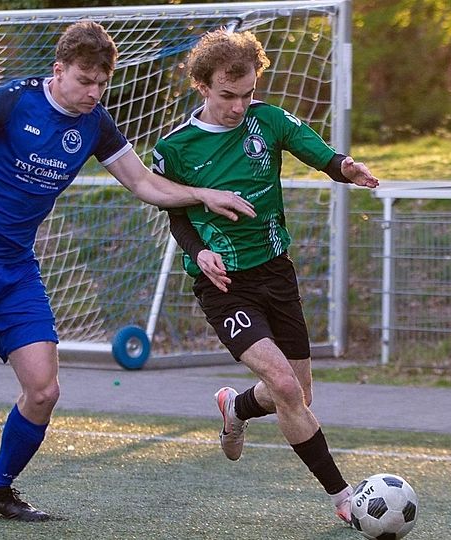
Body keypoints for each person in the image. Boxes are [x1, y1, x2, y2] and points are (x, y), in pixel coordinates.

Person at [0, 21, 255, 522]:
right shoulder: (14, 100)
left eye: (102, 84)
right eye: (84, 81)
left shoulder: (95, 123)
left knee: (44, 389)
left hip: (15, 269)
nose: (94, 93)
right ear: (58, 71)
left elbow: (145, 183)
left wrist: (202, 194)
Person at [151, 29, 378, 524]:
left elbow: (314, 149)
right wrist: (199, 251)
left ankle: (236, 408)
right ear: (202, 86)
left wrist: (346, 167)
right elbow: (177, 214)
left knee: (299, 393)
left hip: (277, 272)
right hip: (225, 284)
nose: (238, 106)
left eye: (247, 93)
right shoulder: (176, 149)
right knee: (284, 386)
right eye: (227, 95)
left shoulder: (268, 121)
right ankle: (343, 498)